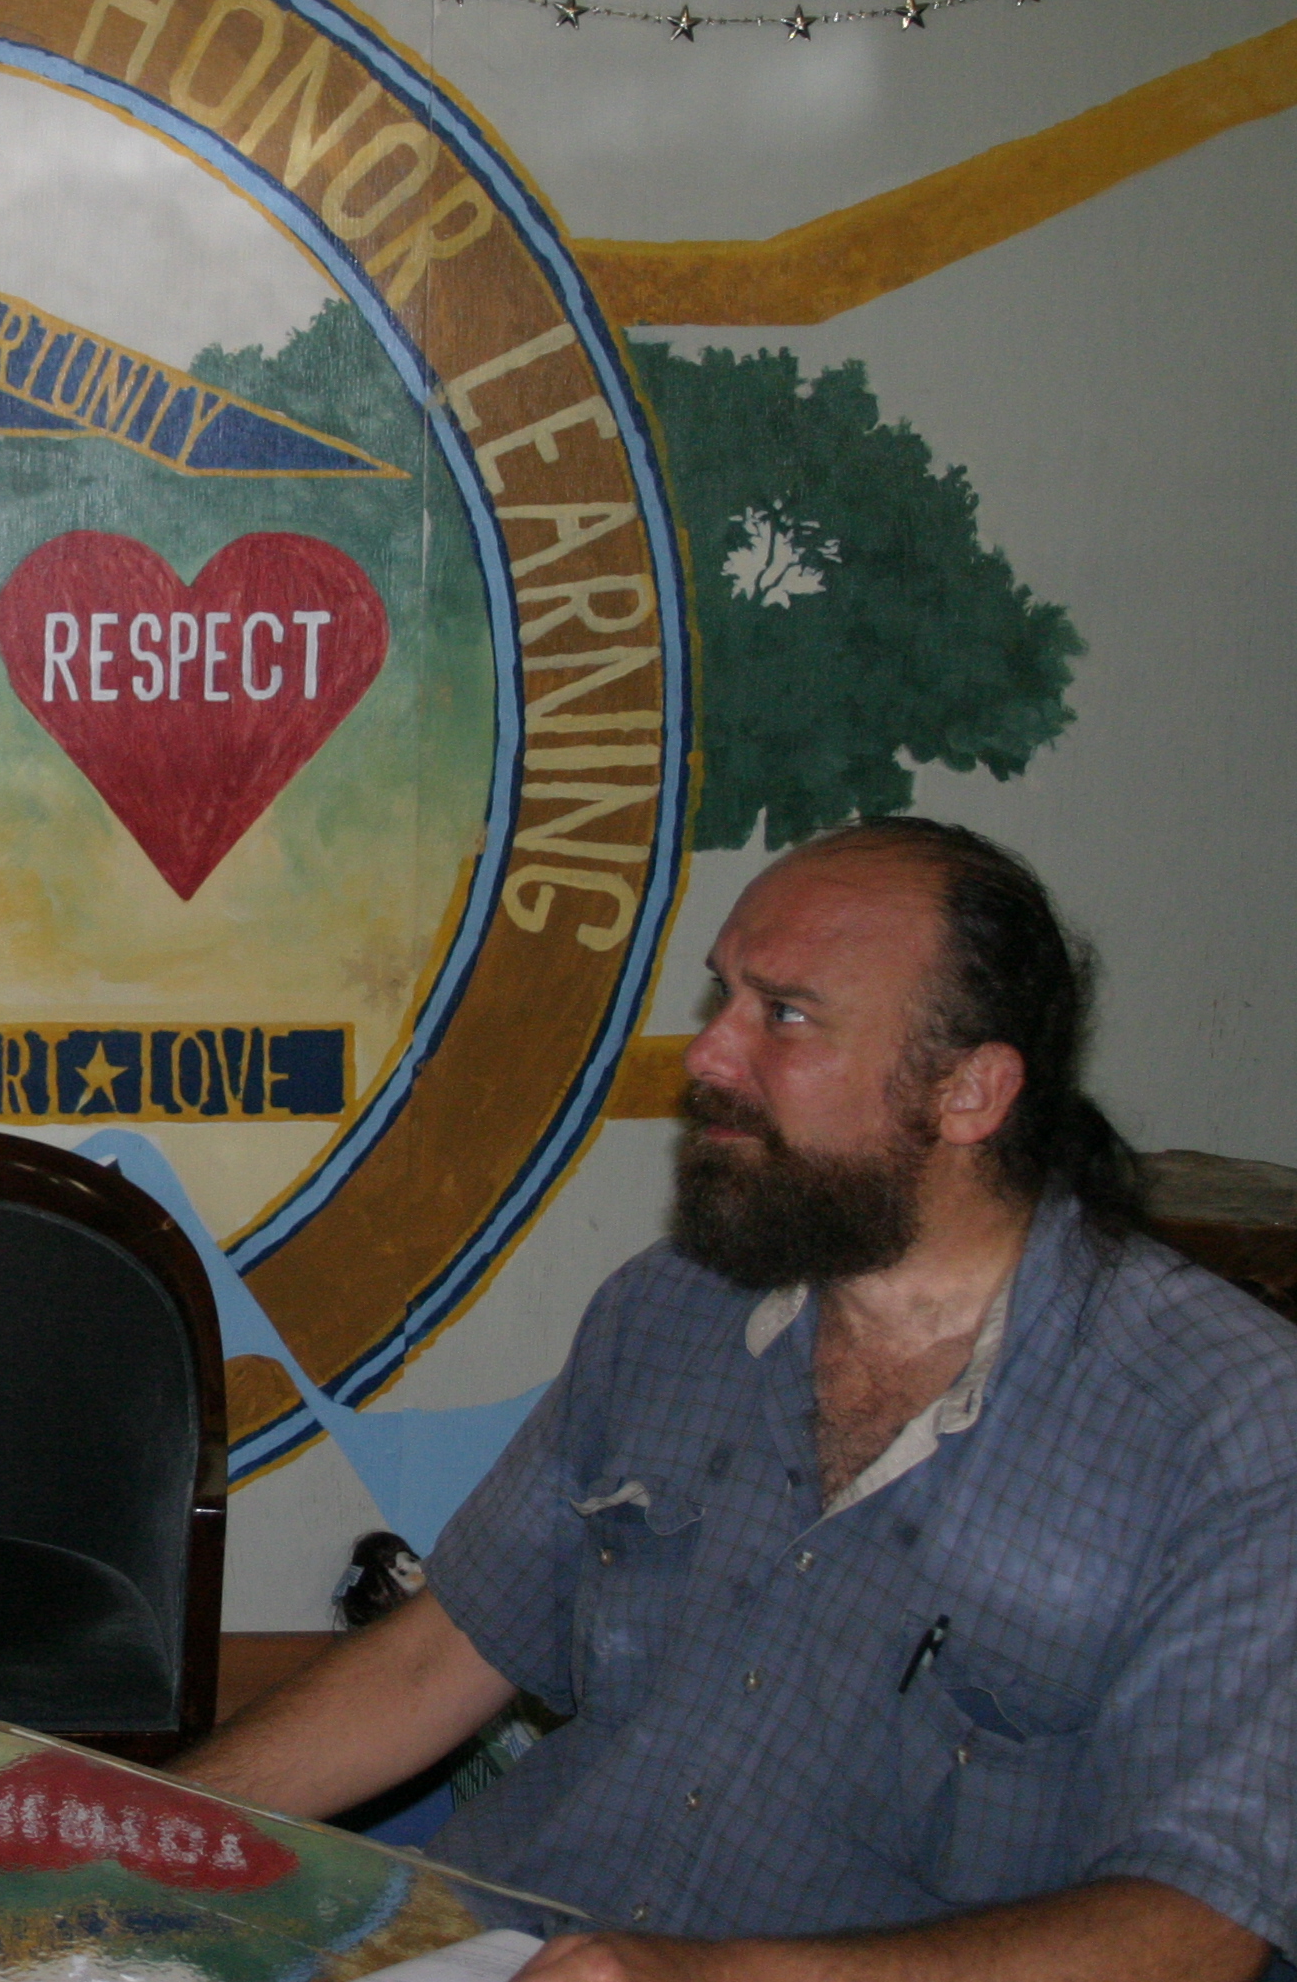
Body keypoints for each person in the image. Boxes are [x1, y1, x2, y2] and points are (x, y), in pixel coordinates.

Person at [173, 818, 1297, 1981]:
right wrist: (136, 1831)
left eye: (786, 1013)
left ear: (969, 1091)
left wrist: (705, 1975)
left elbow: (1195, 1925)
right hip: (494, 1937)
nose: (708, 1052)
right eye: (725, 995)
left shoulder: (1235, 1426)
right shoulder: (667, 1307)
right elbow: (440, 1655)